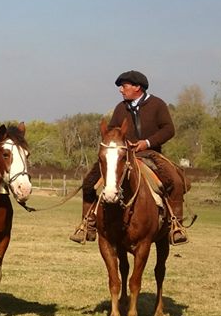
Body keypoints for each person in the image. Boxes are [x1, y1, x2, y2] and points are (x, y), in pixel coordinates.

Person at [70, 70, 189, 245]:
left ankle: (175, 225)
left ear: (137, 87)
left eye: (124, 86)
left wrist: (146, 143)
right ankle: (87, 224)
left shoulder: (157, 104)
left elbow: (168, 129)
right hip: (122, 156)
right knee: (89, 182)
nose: (121, 90)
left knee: (175, 181)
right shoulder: (121, 108)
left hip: (150, 154)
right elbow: (112, 131)